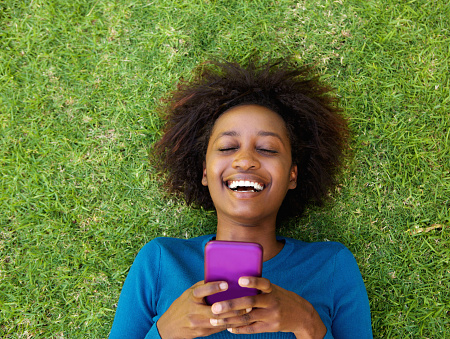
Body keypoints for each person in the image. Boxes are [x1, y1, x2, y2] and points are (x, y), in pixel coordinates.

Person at [109, 59, 372, 338]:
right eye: (227, 147)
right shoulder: (160, 261)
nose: (245, 159)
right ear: (205, 173)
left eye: (268, 149)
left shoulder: (332, 265)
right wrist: (166, 331)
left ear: (292, 175)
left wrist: (306, 322)